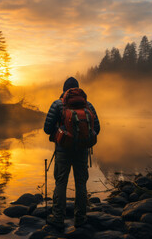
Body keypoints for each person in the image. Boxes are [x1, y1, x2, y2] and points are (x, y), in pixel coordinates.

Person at [44, 77, 100, 229]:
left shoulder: (57, 104)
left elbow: (47, 129)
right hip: (82, 151)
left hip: (63, 150)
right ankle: (80, 218)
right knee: (81, 183)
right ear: (78, 90)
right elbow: (98, 129)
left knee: (61, 182)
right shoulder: (88, 105)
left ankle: (58, 218)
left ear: (64, 90)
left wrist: (60, 133)